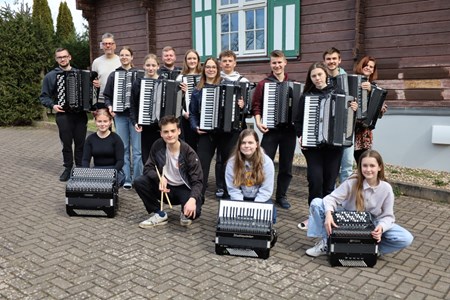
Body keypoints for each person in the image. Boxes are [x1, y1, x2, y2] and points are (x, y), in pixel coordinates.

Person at [304, 149, 414, 257]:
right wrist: (328, 214)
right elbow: (330, 199)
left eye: (372, 166)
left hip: (372, 222)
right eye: (365, 165)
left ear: (379, 167)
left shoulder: (386, 188)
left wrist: (381, 227)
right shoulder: (352, 182)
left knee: (405, 237)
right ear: (360, 167)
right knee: (317, 203)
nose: (368, 169)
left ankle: (372, 249)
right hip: (347, 219)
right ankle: (327, 242)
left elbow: (388, 216)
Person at [294, 62, 358, 230]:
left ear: (326, 75)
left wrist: (353, 109)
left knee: (329, 183)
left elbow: (348, 122)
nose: (317, 78)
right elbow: (298, 121)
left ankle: (327, 216)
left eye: (319, 75)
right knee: (315, 180)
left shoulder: (340, 93)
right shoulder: (306, 97)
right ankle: (313, 216)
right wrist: (300, 136)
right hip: (312, 147)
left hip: (333, 147)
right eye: (313, 76)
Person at [134, 115, 203, 228]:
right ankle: (159, 214)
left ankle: (184, 211)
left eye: (172, 131)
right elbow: (148, 168)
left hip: (183, 188)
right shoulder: (158, 145)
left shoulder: (188, 153)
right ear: (161, 133)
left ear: (179, 131)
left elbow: (198, 181)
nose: (169, 135)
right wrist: (159, 178)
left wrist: (192, 199)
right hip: (165, 189)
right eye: (166, 132)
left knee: (193, 213)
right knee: (139, 181)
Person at [252, 50, 296, 209]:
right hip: (270, 130)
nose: (277, 65)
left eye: (279, 62)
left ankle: (281, 195)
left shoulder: (293, 83)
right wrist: (258, 122)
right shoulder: (264, 84)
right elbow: (256, 106)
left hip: (289, 132)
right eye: (274, 63)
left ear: (285, 63)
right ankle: (261, 194)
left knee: (286, 165)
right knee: (262, 163)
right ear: (270, 64)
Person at [39, 48, 88, 182]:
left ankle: (80, 167)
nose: (62, 59)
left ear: (70, 57)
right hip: (63, 115)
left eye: (65, 56)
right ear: (56, 59)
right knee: (66, 143)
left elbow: (89, 92)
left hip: (80, 115)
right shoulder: (51, 76)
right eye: (59, 57)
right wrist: (53, 105)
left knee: (80, 143)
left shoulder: (81, 73)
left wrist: (95, 86)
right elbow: (44, 97)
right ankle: (68, 167)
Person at [104, 46, 143, 189]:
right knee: (124, 148)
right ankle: (126, 178)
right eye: (122, 55)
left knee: (138, 150)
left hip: (136, 117)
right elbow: (107, 96)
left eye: (127, 55)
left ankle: (138, 179)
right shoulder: (114, 75)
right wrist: (109, 106)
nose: (124, 57)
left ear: (132, 57)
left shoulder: (140, 74)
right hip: (120, 116)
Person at [216, 50, 249, 198]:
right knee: (220, 158)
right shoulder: (216, 79)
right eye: (224, 61)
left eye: (230, 60)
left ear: (235, 63)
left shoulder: (243, 81)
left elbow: (249, 108)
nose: (227, 63)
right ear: (220, 63)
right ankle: (220, 186)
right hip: (219, 126)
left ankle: (233, 186)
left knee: (234, 158)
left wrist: (243, 105)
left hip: (236, 127)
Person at [323, 47, 354, 184]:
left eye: (334, 58)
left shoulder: (349, 79)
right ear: (324, 61)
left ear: (339, 60)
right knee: (329, 164)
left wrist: (355, 106)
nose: (331, 61)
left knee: (347, 164)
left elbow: (356, 101)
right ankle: (330, 194)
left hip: (346, 125)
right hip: (327, 127)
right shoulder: (320, 78)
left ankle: (345, 197)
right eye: (328, 59)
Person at [353, 56, 388, 163]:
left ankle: (364, 179)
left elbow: (379, 110)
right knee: (348, 161)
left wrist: (371, 92)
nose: (368, 68)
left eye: (371, 67)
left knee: (363, 160)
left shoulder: (375, 87)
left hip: (365, 131)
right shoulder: (353, 81)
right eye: (366, 65)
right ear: (361, 66)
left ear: (373, 70)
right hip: (351, 128)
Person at [129, 53, 163, 164]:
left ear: (158, 66)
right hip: (146, 126)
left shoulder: (164, 82)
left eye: (153, 65)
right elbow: (133, 104)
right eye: (148, 65)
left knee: (161, 156)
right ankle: (149, 179)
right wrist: (135, 122)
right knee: (147, 156)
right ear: (143, 66)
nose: (151, 68)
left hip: (161, 127)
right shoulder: (138, 83)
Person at [225, 129, 275, 203]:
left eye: (250, 143)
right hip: (239, 198)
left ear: (257, 145)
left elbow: (266, 190)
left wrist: (254, 206)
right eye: (243, 143)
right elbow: (233, 189)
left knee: (270, 213)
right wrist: (241, 205)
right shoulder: (232, 162)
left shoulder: (267, 162)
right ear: (239, 145)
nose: (246, 146)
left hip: (261, 199)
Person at [81, 108, 125, 186]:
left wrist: (111, 173)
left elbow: (120, 161)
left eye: (105, 121)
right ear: (95, 121)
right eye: (99, 121)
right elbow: (85, 160)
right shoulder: (90, 139)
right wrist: (86, 173)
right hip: (97, 170)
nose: (102, 124)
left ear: (110, 122)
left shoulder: (116, 139)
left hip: (113, 170)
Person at [175, 49, 202, 152]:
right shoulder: (180, 77)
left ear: (198, 60)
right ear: (185, 61)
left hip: (202, 117)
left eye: (194, 58)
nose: (192, 61)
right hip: (187, 117)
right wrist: (183, 113)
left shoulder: (203, 76)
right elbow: (176, 101)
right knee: (190, 147)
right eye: (189, 58)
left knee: (202, 148)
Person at [92, 33, 121, 109]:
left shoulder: (121, 61)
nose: (108, 46)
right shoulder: (96, 62)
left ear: (114, 45)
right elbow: (92, 82)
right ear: (102, 46)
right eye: (105, 44)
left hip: (117, 100)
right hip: (101, 101)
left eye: (110, 43)